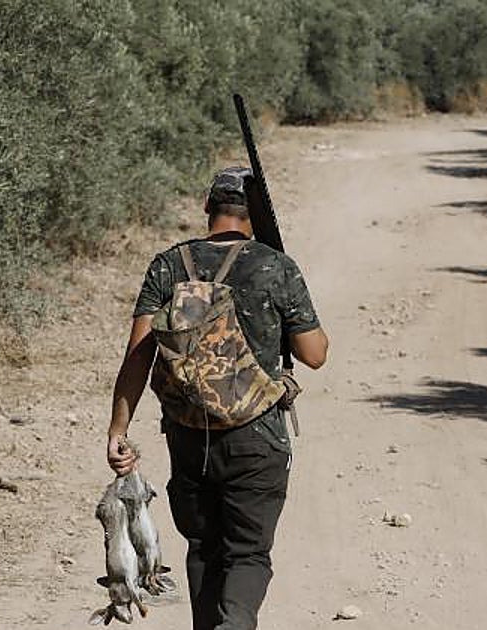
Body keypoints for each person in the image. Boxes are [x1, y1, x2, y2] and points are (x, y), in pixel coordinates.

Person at [106, 166, 329, 630]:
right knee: (247, 553)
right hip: (257, 437)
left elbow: (138, 356)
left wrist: (118, 431)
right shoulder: (275, 265)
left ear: (208, 208)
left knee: (203, 548)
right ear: (256, 215)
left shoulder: (169, 265)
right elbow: (314, 355)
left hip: (189, 438)